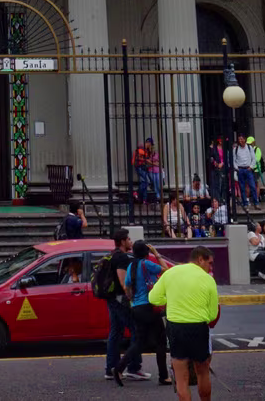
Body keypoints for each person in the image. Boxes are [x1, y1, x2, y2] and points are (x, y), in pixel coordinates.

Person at [150, 243, 220, 401]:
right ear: (200, 259)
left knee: (181, 378)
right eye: (209, 263)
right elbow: (212, 314)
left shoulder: (171, 273)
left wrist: (170, 301)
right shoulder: (208, 279)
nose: (210, 267)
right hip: (198, 327)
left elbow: (153, 298)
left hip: (176, 328)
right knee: (202, 372)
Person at [121, 242, 167, 384]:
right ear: (146, 253)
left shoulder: (131, 266)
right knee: (161, 342)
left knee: (140, 342)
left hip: (136, 307)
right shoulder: (147, 264)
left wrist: (133, 301)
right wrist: (156, 254)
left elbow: (127, 287)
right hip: (149, 306)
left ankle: (119, 367)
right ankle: (163, 376)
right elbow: (166, 271)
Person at [99, 230, 136, 383]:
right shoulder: (121, 257)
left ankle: (111, 368)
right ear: (122, 242)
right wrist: (131, 298)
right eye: (128, 239)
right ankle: (134, 368)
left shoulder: (113, 254)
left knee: (116, 332)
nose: (130, 241)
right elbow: (123, 282)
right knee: (136, 330)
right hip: (120, 298)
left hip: (112, 298)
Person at [134, 138, 162, 208]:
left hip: (142, 167)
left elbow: (146, 160)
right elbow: (139, 158)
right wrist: (154, 164)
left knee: (144, 182)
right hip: (139, 167)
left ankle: (144, 200)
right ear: (149, 143)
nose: (151, 146)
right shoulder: (141, 148)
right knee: (146, 182)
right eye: (151, 144)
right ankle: (136, 192)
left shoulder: (145, 150)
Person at [232, 136, 258, 207]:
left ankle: (256, 203)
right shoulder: (235, 149)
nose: (240, 141)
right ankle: (245, 203)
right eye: (239, 139)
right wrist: (236, 168)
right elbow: (233, 160)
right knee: (242, 187)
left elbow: (254, 158)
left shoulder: (249, 148)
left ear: (245, 140)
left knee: (252, 186)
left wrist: (251, 167)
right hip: (240, 169)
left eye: (241, 139)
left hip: (248, 169)